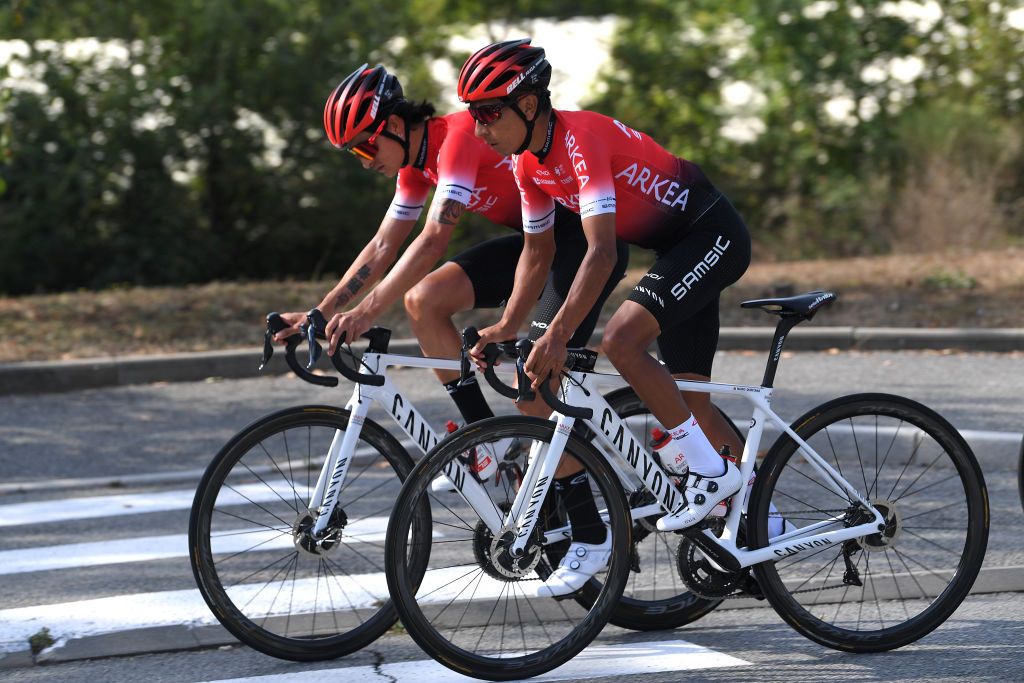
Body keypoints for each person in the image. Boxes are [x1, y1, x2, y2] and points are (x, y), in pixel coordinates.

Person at [463, 39, 751, 596]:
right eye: (473, 115)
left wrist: (559, 334)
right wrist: (508, 326)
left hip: (711, 234)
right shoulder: (527, 165)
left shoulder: (580, 141)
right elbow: (537, 254)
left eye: (488, 112)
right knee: (689, 398)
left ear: (528, 105)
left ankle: (712, 476)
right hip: (675, 251)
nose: (479, 129)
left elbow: (599, 253)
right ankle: (761, 524)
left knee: (622, 340)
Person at [275, 62, 628, 450]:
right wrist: (320, 313)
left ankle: (578, 508)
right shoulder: (414, 168)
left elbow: (431, 243)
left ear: (393, 125)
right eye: (353, 153)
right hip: (539, 247)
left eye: (364, 145)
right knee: (423, 300)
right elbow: (382, 246)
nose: (363, 160)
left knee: (532, 392)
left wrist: (365, 312)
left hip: (583, 246)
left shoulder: (457, 139)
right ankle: (486, 441)